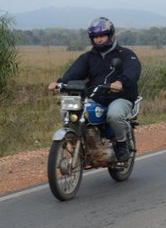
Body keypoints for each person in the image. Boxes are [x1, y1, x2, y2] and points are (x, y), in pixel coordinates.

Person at [48, 17, 141, 162]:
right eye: (95, 37)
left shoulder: (125, 54)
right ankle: (78, 140)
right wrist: (59, 83)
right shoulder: (88, 57)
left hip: (120, 97)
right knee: (68, 110)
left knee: (114, 115)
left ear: (111, 36)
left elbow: (133, 70)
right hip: (96, 96)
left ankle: (122, 144)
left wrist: (121, 82)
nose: (98, 40)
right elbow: (74, 72)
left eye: (102, 36)